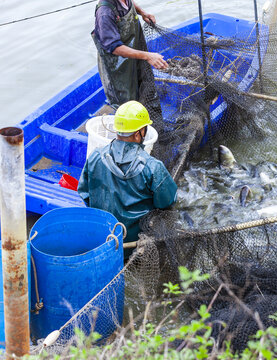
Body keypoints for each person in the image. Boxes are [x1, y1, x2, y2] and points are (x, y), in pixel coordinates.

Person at [78, 101, 177, 245]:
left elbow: (84, 193)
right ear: (138, 134)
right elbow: (168, 201)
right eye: (145, 129)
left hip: (103, 238)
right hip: (135, 242)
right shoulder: (153, 167)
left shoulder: (95, 156)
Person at [91, 0, 168, 116]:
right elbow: (114, 47)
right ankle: (132, 132)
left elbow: (130, 4)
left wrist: (142, 13)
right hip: (119, 70)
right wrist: (148, 56)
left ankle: (153, 127)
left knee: (147, 89)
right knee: (128, 107)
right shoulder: (105, 13)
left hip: (137, 59)